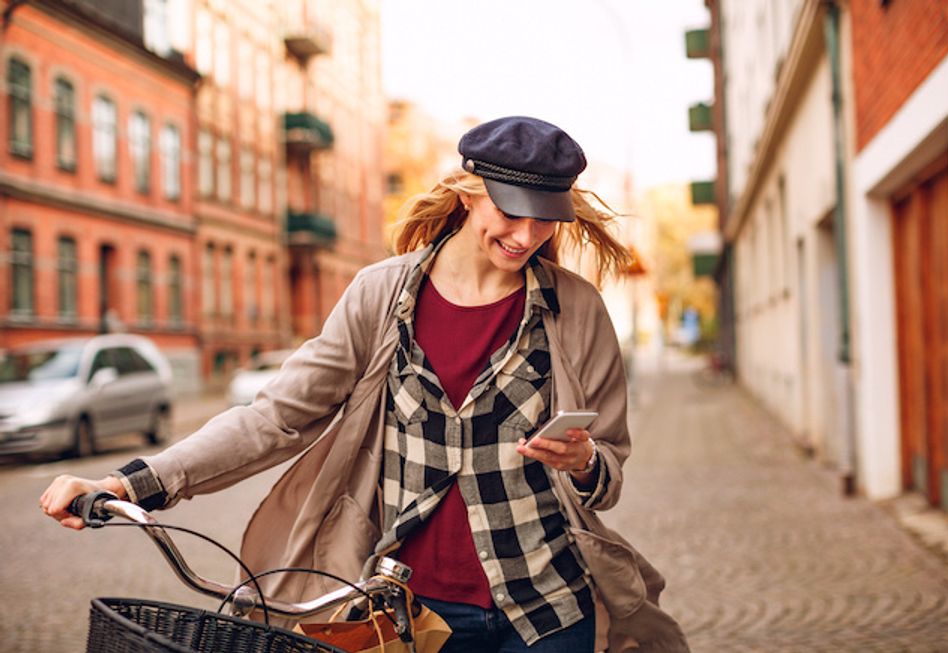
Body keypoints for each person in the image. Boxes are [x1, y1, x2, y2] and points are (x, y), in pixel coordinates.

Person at [40, 116, 689, 653]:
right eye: (511, 212)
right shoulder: (382, 296)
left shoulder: (575, 311)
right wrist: (131, 482)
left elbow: (608, 474)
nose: (526, 236)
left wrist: (582, 461)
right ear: (467, 190)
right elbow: (274, 418)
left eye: (546, 219)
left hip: (548, 610)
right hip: (413, 615)